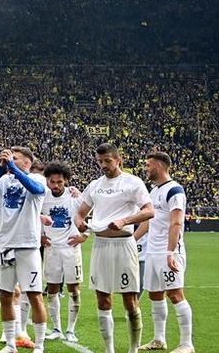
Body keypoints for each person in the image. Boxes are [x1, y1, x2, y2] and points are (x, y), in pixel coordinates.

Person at [74, 143, 154, 353]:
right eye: (100, 161)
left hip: (124, 245)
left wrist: (125, 220)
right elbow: (80, 212)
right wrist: (79, 222)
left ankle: (133, 349)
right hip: (101, 245)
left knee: (130, 300)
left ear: (119, 160)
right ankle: (109, 350)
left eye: (107, 161)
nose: (103, 165)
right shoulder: (95, 185)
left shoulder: (132, 182)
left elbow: (149, 211)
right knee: (102, 297)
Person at [0, 146, 48, 353]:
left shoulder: (37, 178)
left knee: (34, 295)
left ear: (27, 162)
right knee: (5, 296)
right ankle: (10, 345)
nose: (10, 160)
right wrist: (0, 171)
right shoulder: (4, 180)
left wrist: (14, 169)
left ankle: (39, 346)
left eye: (15, 158)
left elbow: (36, 190)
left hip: (27, 246)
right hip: (5, 245)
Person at [135, 152, 194, 353]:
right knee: (155, 294)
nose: (146, 168)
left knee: (175, 294)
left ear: (159, 166)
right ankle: (159, 339)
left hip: (168, 251)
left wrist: (170, 252)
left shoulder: (175, 190)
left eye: (148, 165)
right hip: (152, 252)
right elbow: (147, 222)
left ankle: (187, 344)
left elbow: (176, 223)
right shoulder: (153, 191)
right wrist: (131, 241)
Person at [40, 161, 86, 343]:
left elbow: (90, 214)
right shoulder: (43, 198)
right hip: (51, 249)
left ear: (66, 180)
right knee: (52, 289)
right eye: (52, 182)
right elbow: (34, 217)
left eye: (60, 182)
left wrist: (85, 236)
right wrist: (40, 236)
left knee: (74, 289)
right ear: (47, 181)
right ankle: (57, 328)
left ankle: (71, 330)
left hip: (71, 249)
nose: (56, 185)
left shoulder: (75, 196)